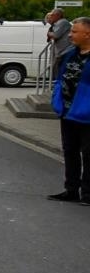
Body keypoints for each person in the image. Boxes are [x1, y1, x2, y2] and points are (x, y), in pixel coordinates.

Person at [47, 16, 90, 204]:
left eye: (74, 32)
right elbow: (60, 78)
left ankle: (88, 194)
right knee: (70, 151)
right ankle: (71, 189)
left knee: (88, 154)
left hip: (87, 115)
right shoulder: (70, 53)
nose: (70, 35)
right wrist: (57, 99)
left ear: (87, 34)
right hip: (68, 111)